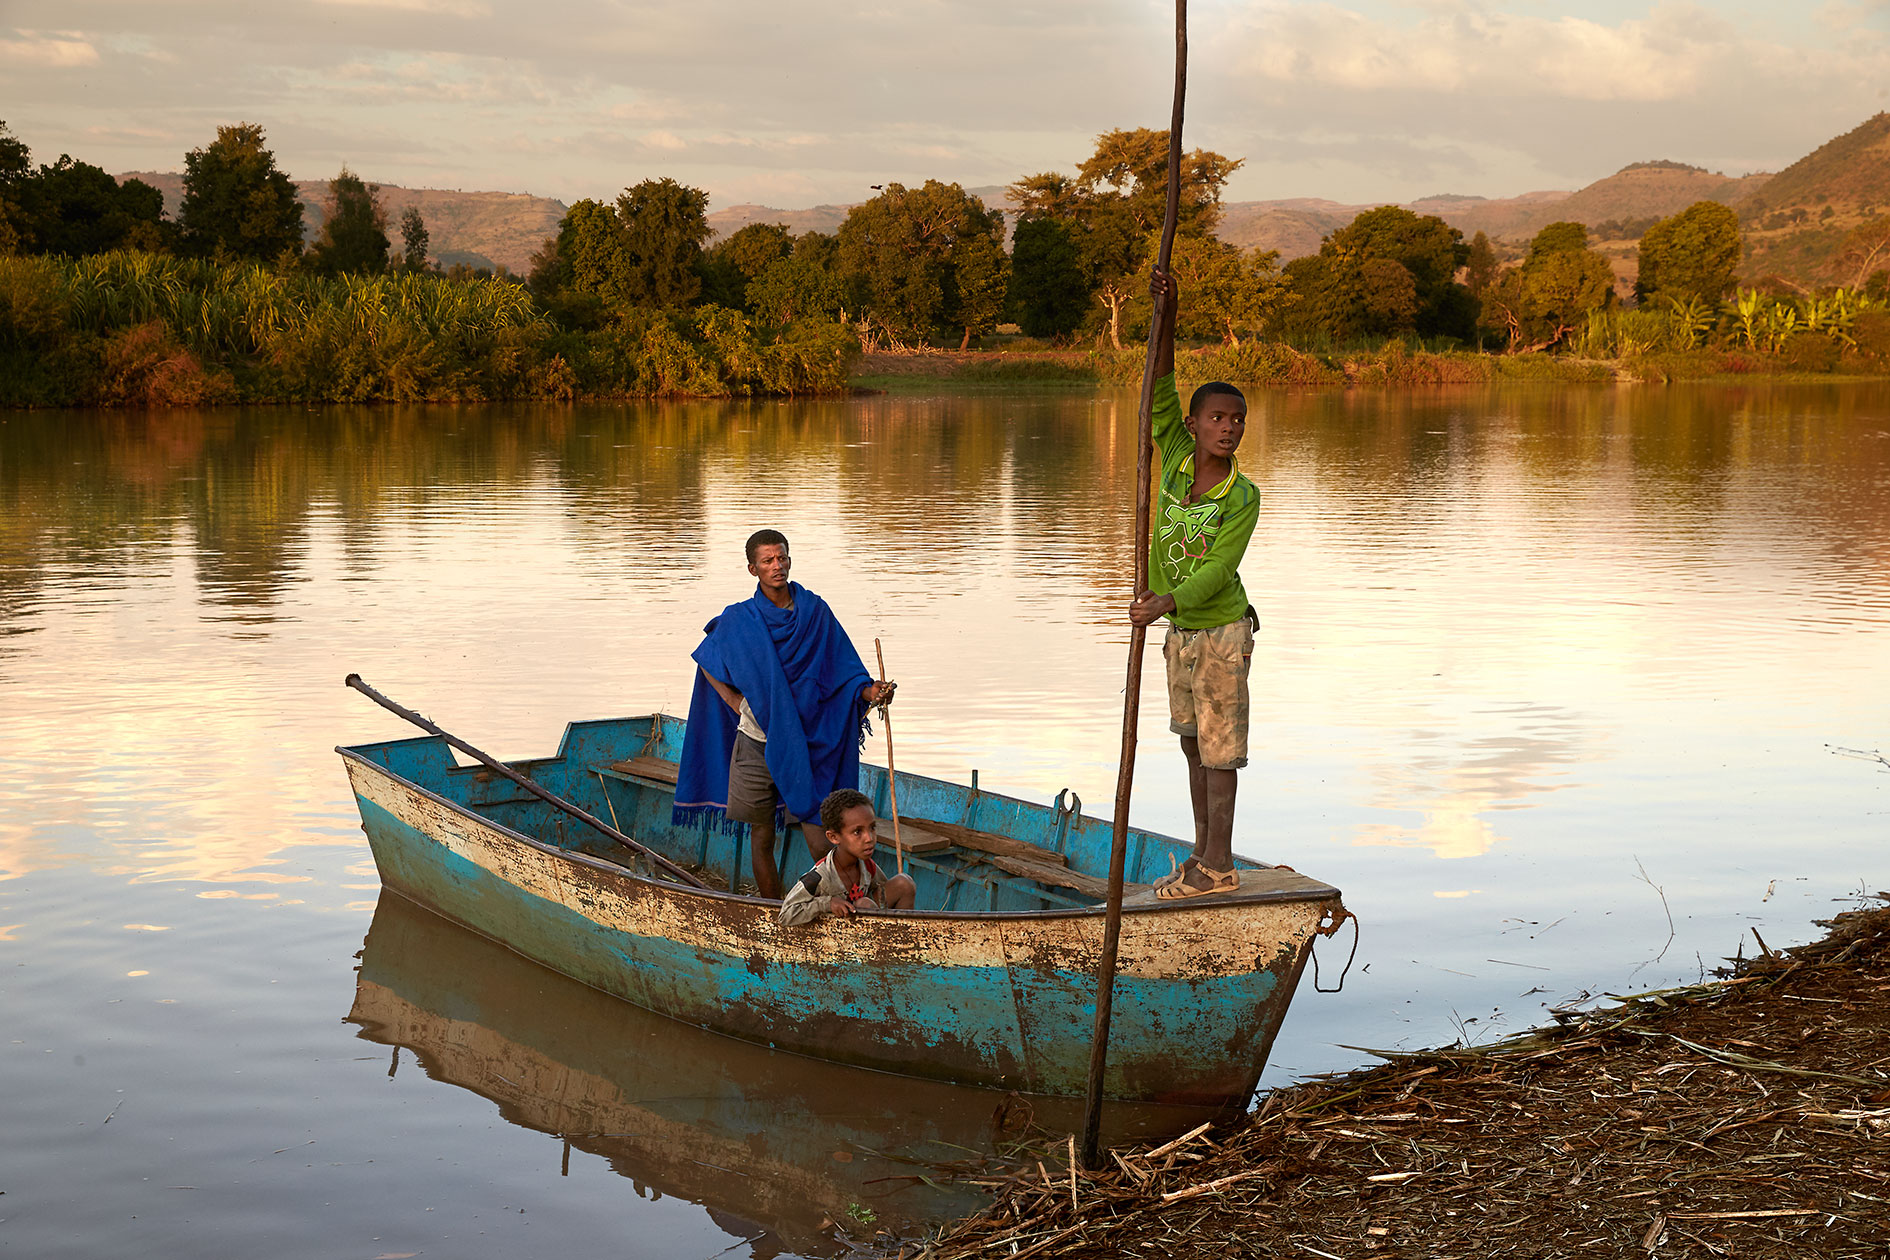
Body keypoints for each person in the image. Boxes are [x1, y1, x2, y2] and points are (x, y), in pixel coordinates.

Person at [1128, 266, 1261, 900]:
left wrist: (1167, 601)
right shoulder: (1177, 456)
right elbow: (1159, 385)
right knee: (1191, 745)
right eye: (1217, 417)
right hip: (1178, 630)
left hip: (1218, 631)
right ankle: (1203, 854)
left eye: (1237, 419)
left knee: (1219, 753)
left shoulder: (1243, 495)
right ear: (1196, 422)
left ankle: (1220, 864)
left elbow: (1218, 569)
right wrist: (1168, 312)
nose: (1229, 427)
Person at [673, 529, 896, 899]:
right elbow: (706, 656)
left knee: (820, 840)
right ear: (752, 569)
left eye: (782, 558)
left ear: (789, 560)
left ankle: (843, 906)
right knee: (762, 837)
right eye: (767, 561)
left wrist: (873, 691)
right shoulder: (740, 619)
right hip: (756, 742)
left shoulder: (814, 611)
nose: (777, 566)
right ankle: (773, 909)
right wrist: (736, 703)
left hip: (809, 743)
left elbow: (842, 670)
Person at [778, 789, 917, 925]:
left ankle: (901, 937)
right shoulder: (819, 877)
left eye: (872, 828)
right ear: (834, 837)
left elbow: (881, 892)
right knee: (864, 904)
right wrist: (827, 904)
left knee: (904, 883)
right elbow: (785, 915)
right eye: (858, 832)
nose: (869, 838)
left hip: (863, 921)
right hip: (836, 933)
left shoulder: (867, 865)